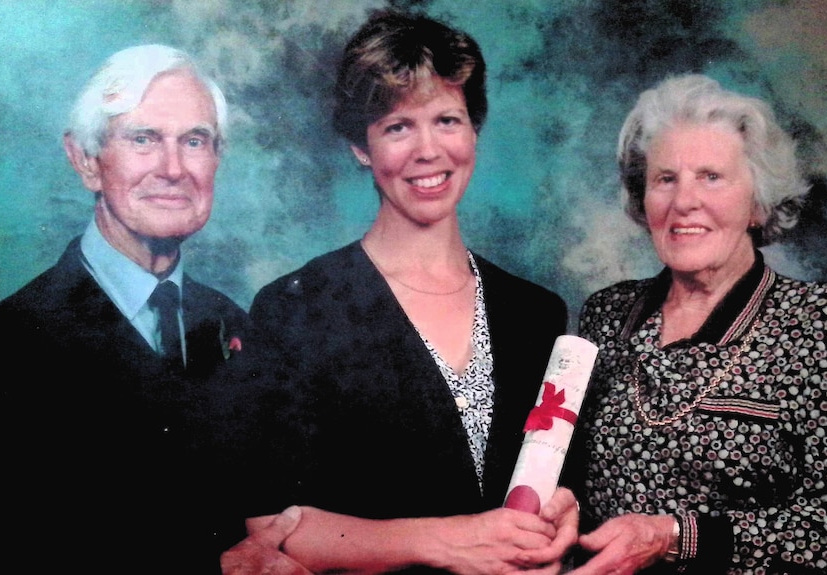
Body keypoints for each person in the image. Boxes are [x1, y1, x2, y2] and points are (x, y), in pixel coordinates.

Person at [225, 9, 577, 575]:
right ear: (361, 147)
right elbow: (272, 526)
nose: (428, 151)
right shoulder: (295, 308)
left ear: (473, 129)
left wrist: (563, 510)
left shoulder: (535, 311)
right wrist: (447, 541)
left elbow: (557, 482)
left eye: (447, 120)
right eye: (397, 127)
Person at [0, 44, 278, 574]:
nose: (173, 168)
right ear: (86, 160)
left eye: (195, 141)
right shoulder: (7, 346)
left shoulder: (238, 327)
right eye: (143, 139)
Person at [564, 74, 827, 574]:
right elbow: (569, 475)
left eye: (711, 177)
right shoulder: (606, 315)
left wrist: (676, 537)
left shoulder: (826, 325)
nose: (684, 202)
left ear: (758, 203)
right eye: (665, 179)